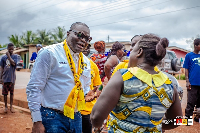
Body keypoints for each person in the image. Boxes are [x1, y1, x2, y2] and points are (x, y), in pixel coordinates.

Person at [91, 34, 182, 132]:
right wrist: (153, 124)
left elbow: (96, 117)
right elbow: (177, 120)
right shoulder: (169, 84)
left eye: (132, 51)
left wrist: (97, 126)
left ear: (139, 52)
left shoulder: (123, 76)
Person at [26, 22, 94, 133]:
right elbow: (34, 87)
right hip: (52, 117)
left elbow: (84, 86)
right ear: (68, 34)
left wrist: (87, 94)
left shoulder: (86, 62)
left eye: (88, 38)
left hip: (76, 117)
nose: (84, 40)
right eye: (80, 35)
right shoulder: (49, 53)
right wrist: (37, 121)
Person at [82, 43, 102, 133]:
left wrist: (99, 91)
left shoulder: (92, 65)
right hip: (71, 108)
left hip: (88, 108)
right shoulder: (69, 64)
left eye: (88, 47)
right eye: (84, 46)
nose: (86, 49)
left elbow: (98, 84)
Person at [183, 38, 200, 122]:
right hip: (192, 83)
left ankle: (197, 118)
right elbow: (186, 69)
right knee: (191, 102)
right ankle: (187, 120)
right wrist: (187, 81)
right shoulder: (189, 55)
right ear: (196, 46)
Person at [0, 43, 18, 113]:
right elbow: (1, 68)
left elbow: (13, 64)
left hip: (12, 78)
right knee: (5, 94)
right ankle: (5, 107)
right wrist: (0, 78)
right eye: (10, 49)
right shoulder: (3, 58)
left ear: (13, 49)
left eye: (12, 49)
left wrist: (8, 56)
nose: (11, 50)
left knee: (11, 93)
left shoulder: (15, 56)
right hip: (5, 78)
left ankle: (11, 107)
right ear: (7, 49)